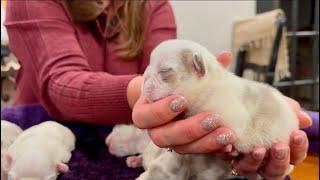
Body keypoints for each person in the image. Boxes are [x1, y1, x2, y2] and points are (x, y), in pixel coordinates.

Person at [5, 0, 311, 179]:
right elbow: (63, 84)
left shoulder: (153, 5)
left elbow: (179, 79)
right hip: (41, 128)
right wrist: (148, 95)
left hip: (137, 139)